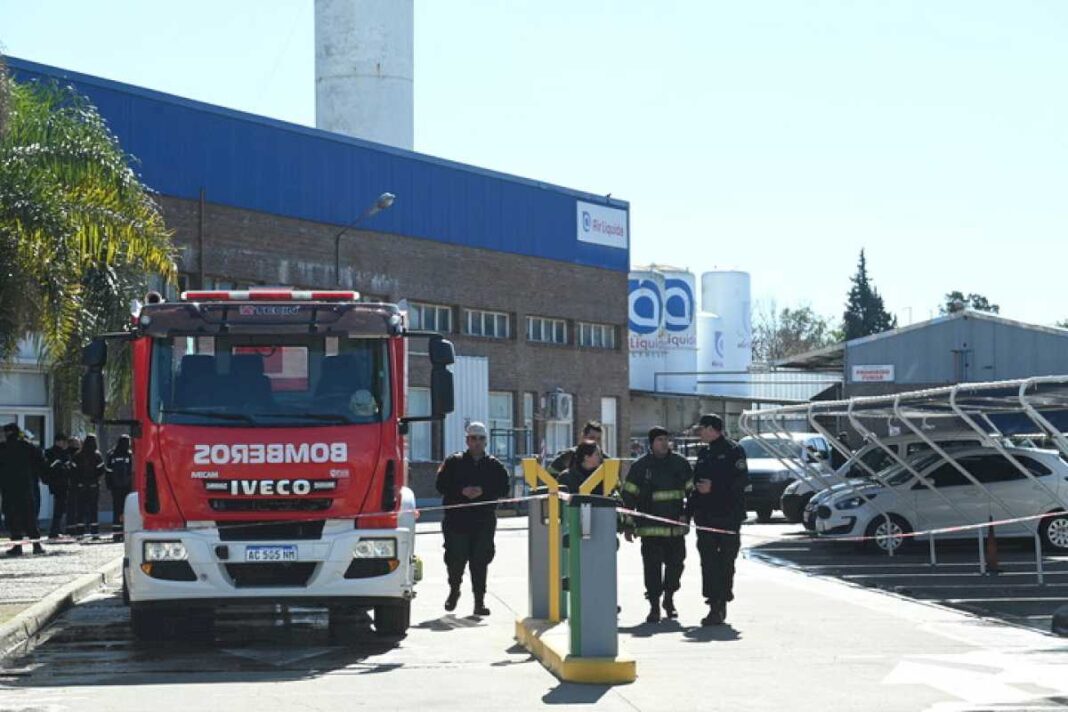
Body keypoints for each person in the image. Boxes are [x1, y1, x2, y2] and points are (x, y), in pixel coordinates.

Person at [436, 421, 510, 617]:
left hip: (483, 521)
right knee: (455, 559)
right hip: (457, 521)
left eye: (481, 438)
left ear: (486, 441)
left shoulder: (494, 466)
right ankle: (454, 591)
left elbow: (504, 487)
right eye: (473, 438)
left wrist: (483, 491)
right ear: (467, 440)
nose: (477, 442)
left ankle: (479, 601)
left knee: (480, 561)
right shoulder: (454, 462)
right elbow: (441, 484)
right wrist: (461, 491)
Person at [621, 426, 693, 623]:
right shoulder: (640, 467)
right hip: (649, 529)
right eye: (659, 440)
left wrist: (687, 515)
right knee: (652, 569)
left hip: (675, 530)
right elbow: (628, 498)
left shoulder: (680, 463)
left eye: (665, 439)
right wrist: (628, 525)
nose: (664, 443)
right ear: (651, 443)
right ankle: (654, 605)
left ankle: (669, 598)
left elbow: (691, 493)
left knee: (676, 567)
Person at [686, 414, 748, 626]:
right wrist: (687, 513)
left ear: (713, 429)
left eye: (702, 429)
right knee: (709, 562)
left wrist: (715, 488)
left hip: (728, 515)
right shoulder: (704, 453)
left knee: (726, 561)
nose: (700, 433)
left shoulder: (733, 450)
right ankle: (714, 603)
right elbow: (696, 485)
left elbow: (740, 482)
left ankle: (722, 601)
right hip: (706, 516)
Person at [0, 423, 47, 556]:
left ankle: (17, 546)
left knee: (12, 517)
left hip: (8, 489)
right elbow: (41, 461)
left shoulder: (2, 448)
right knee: (29, 517)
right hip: (26, 488)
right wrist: (43, 477)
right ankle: (36, 545)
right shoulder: (27, 446)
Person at [71, 435, 105, 537]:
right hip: (93, 485)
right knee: (93, 508)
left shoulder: (78, 455)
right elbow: (101, 470)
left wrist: (79, 482)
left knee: (80, 508)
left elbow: (73, 471)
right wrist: (95, 479)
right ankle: (94, 531)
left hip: (81, 486)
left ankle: (80, 531)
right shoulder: (97, 455)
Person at [44, 433, 75, 538]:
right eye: (63, 442)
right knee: (59, 507)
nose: (64, 444)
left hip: (57, 483)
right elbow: (59, 467)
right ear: (58, 441)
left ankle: (56, 529)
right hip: (61, 483)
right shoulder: (56, 453)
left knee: (60, 507)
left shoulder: (50, 452)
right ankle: (54, 530)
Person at [105, 435, 134, 541]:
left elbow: (108, 471)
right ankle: (125, 532)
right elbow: (132, 471)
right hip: (127, 486)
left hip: (115, 487)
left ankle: (116, 533)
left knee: (117, 509)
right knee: (127, 509)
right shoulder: (129, 454)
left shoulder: (111, 454)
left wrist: (109, 485)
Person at [64, 436, 81, 534]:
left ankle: (73, 528)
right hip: (72, 484)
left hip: (74, 483)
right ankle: (72, 528)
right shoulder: (74, 455)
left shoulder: (68, 454)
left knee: (74, 507)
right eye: (77, 443)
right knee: (72, 507)